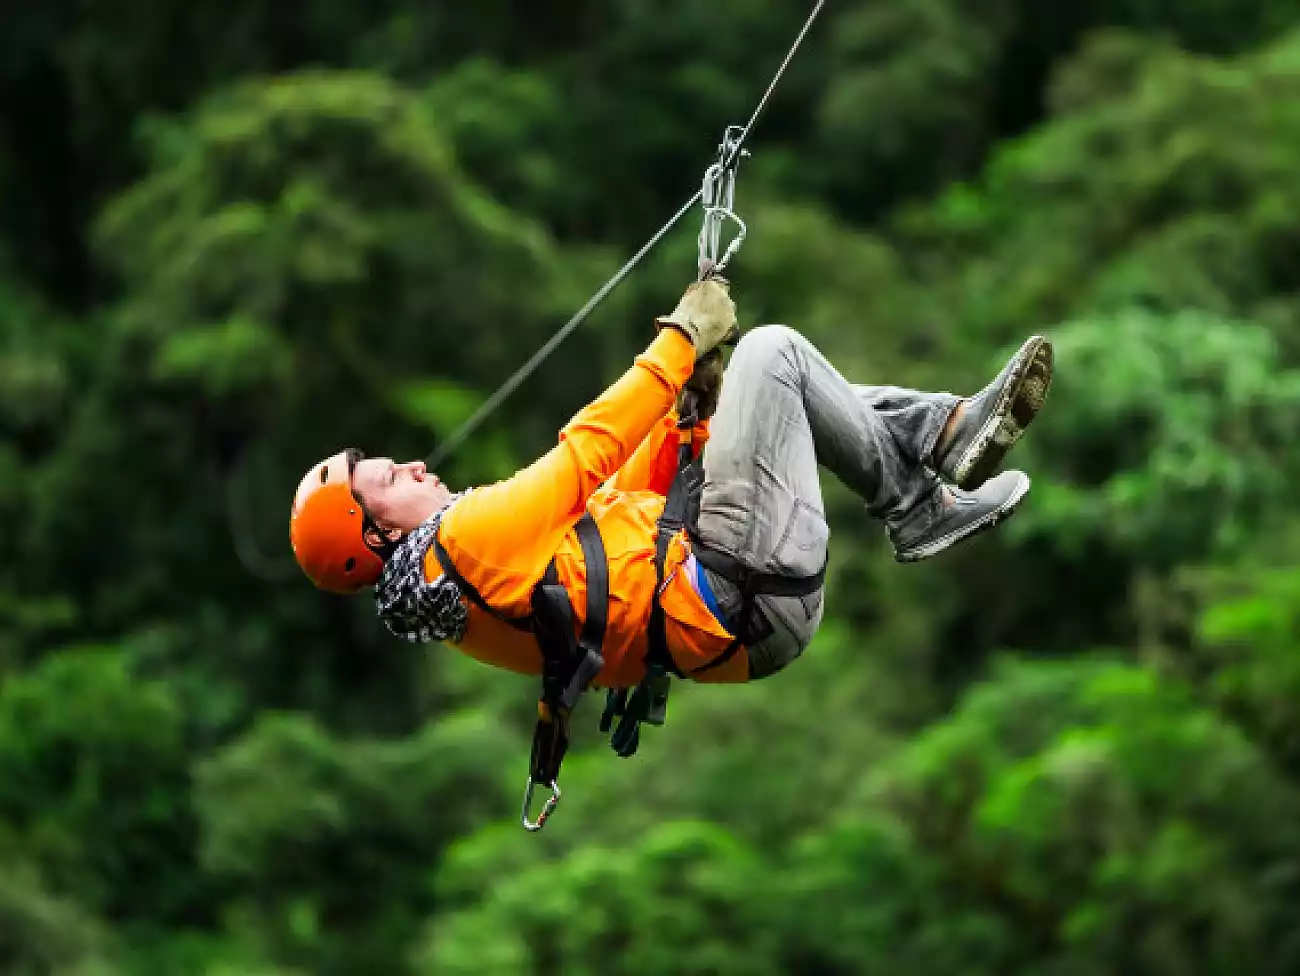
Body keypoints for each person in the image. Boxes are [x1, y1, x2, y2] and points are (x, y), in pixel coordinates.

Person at [290, 278, 1052, 813]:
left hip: (735, 596)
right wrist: (679, 342)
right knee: (772, 355)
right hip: (739, 587)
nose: (415, 466)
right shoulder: (462, 541)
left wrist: (685, 414)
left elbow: (616, 504)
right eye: (390, 477)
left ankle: (949, 431)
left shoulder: (458, 588)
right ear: (379, 531)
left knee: (764, 391)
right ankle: (918, 503)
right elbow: (586, 450)